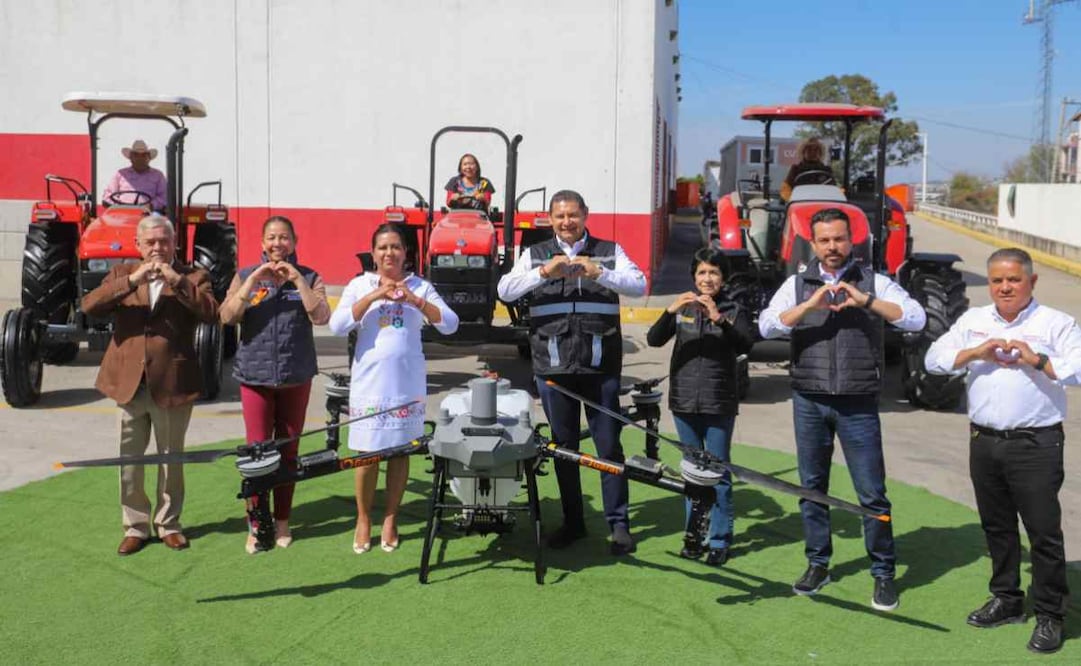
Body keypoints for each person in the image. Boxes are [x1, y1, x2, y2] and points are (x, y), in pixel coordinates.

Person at [758, 207, 925, 610]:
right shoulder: (797, 285)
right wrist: (811, 304)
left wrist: (865, 301)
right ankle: (818, 564)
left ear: (852, 241)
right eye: (824, 240)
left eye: (839, 239)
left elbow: (916, 319)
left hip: (857, 403)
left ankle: (883, 573)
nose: (832, 247)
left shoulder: (875, 282)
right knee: (811, 489)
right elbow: (766, 326)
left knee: (872, 493)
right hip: (809, 400)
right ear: (812, 244)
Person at [925, 248, 1080, 654]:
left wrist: (1037, 359)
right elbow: (934, 358)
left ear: (1031, 282)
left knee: (1043, 532)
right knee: (997, 527)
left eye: (1013, 279)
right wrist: (975, 352)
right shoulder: (974, 321)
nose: (1005, 287)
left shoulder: (1056, 323)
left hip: (1036, 443)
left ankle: (1049, 614)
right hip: (985, 440)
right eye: (997, 280)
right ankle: (1007, 599)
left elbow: (1078, 369)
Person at [497, 189, 647, 555]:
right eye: (560, 216)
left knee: (608, 447)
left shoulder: (609, 250)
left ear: (585, 215)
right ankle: (573, 523)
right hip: (553, 365)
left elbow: (640, 286)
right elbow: (505, 291)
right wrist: (543, 272)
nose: (567, 222)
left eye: (573, 215)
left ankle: (619, 525)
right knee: (564, 449)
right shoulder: (534, 255)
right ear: (550, 219)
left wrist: (602, 272)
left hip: (601, 366)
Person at [82, 214, 219, 555]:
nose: (158, 247)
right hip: (128, 384)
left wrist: (176, 280)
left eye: (164, 241)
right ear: (139, 246)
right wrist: (132, 280)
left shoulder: (194, 275)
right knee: (128, 460)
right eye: (151, 242)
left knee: (171, 458)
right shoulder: (121, 274)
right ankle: (136, 526)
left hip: (172, 382)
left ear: (175, 243)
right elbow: (90, 305)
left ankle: (169, 523)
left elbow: (211, 313)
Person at [328, 223, 459, 554]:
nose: (389, 253)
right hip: (370, 383)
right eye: (383, 247)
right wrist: (375, 295)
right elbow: (337, 325)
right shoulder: (360, 285)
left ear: (406, 253)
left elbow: (450, 324)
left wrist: (414, 299)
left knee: (401, 452)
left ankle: (390, 517)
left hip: (406, 384)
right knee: (367, 456)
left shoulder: (420, 286)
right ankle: (363, 519)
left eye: (396, 247)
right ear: (373, 253)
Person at [219, 215, 331, 553]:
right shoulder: (245, 276)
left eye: (284, 238)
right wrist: (253, 280)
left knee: (288, 451)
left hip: (296, 376)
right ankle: (256, 524)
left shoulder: (311, 277)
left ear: (294, 243)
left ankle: (282, 521)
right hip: (254, 377)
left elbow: (321, 315)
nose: (278, 244)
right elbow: (227, 316)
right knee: (257, 453)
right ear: (262, 243)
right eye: (272, 238)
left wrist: (298, 280)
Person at [646, 248, 754, 565]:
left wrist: (718, 318)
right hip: (683, 401)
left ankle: (720, 539)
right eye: (702, 273)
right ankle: (695, 537)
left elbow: (747, 343)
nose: (707, 279)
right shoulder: (685, 308)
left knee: (717, 473)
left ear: (723, 278)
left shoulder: (733, 308)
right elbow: (653, 339)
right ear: (694, 276)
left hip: (718, 401)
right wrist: (670, 310)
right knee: (693, 473)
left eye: (714, 273)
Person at [102, 139, 169, 211]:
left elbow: (164, 197)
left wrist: (151, 206)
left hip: (148, 215)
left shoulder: (158, 175)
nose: (140, 158)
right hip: (122, 214)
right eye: (136, 155)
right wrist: (119, 206)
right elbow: (108, 195)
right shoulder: (120, 174)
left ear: (149, 158)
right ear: (131, 158)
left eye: (143, 155)